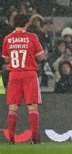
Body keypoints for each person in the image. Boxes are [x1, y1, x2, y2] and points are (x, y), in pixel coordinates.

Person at [2, 14, 46, 145]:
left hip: (14, 75)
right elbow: (41, 56)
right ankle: (35, 139)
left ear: (14, 23)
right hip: (29, 75)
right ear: (27, 23)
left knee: (13, 108)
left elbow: (6, 59)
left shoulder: (8, 38)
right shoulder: (32, 37)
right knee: (32, 108)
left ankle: (11, 139)